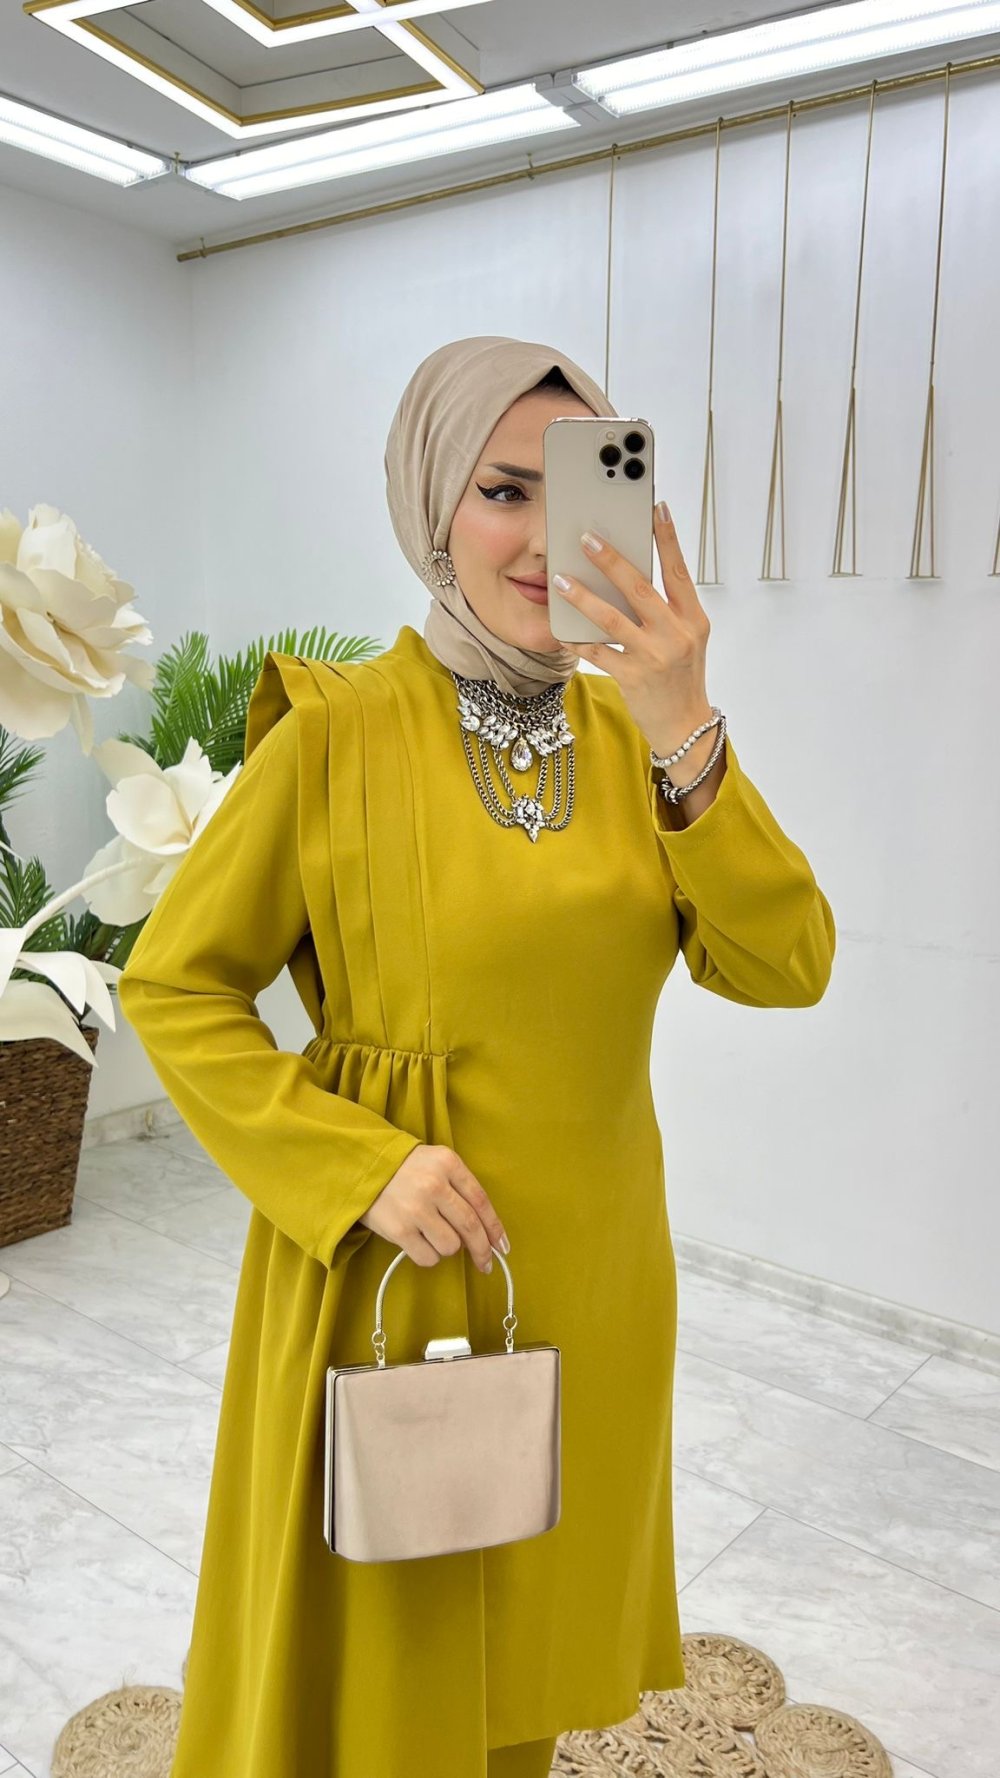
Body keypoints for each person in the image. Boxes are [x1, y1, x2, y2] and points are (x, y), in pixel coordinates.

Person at [117, 334, 836, 1778]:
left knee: (529, 1665)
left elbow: (786, 963)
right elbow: (176, 985)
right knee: (387, 1679)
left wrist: (684, 723)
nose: (542, 537)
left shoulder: (637, 745)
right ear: (431, 504)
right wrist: (356, 1167)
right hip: (392, 1276)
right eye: (504, 490)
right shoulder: (334, 734)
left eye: (576, 490)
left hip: (593, 1283)